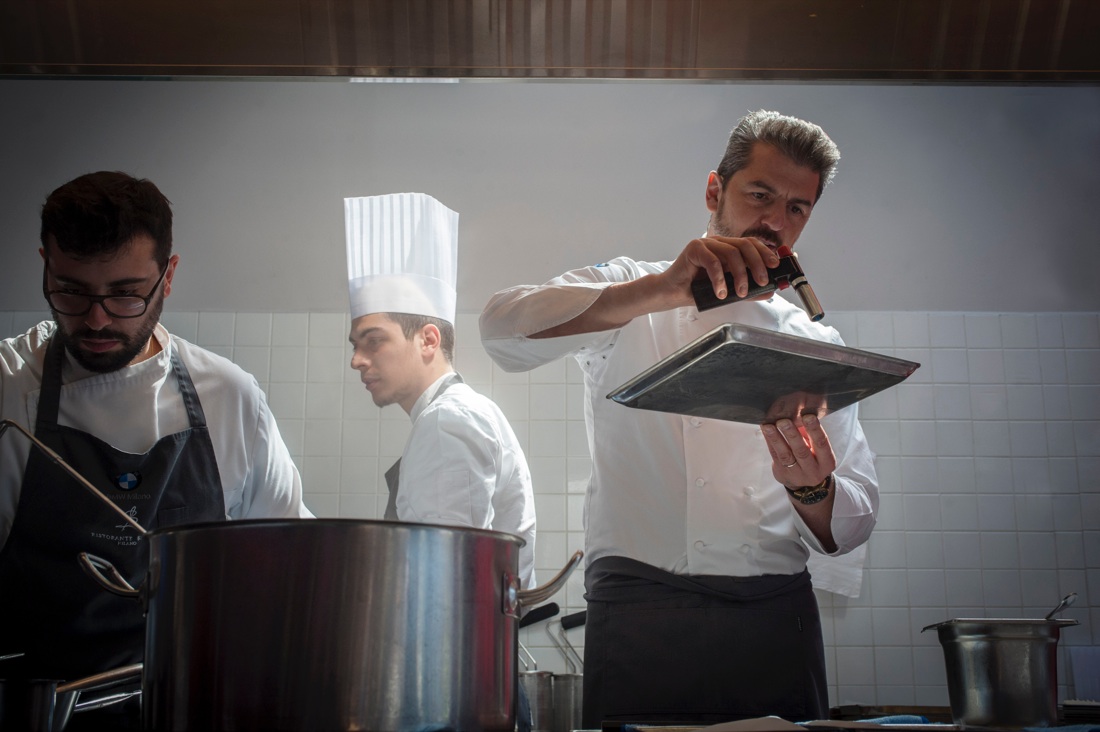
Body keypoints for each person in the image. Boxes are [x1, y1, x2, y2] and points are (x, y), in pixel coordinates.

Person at [480, 110, 879, 725]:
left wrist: (813, 487)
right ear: (715, 191)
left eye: (797, 208)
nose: (775, 222)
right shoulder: (634, 290)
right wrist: (665, 290)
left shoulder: (813, 344)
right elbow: (503, 330)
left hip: (773, 620)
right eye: (760, 195)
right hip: (641, 614)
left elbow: (851, 524)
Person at [0, 171, 312, 730]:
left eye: (125, 293)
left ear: (168, 276)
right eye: (71, 290)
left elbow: (293, 566)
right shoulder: (7, 388)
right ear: (45, 262)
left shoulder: (230, 397)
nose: (96, 319)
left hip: (197, 709)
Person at [344, 192, 536, 589]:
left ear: (428, 340)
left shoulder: (448, 420)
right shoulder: (453, 415)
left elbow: (445, 580)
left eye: (373, 341)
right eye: (355, 345)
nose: (357, 360)